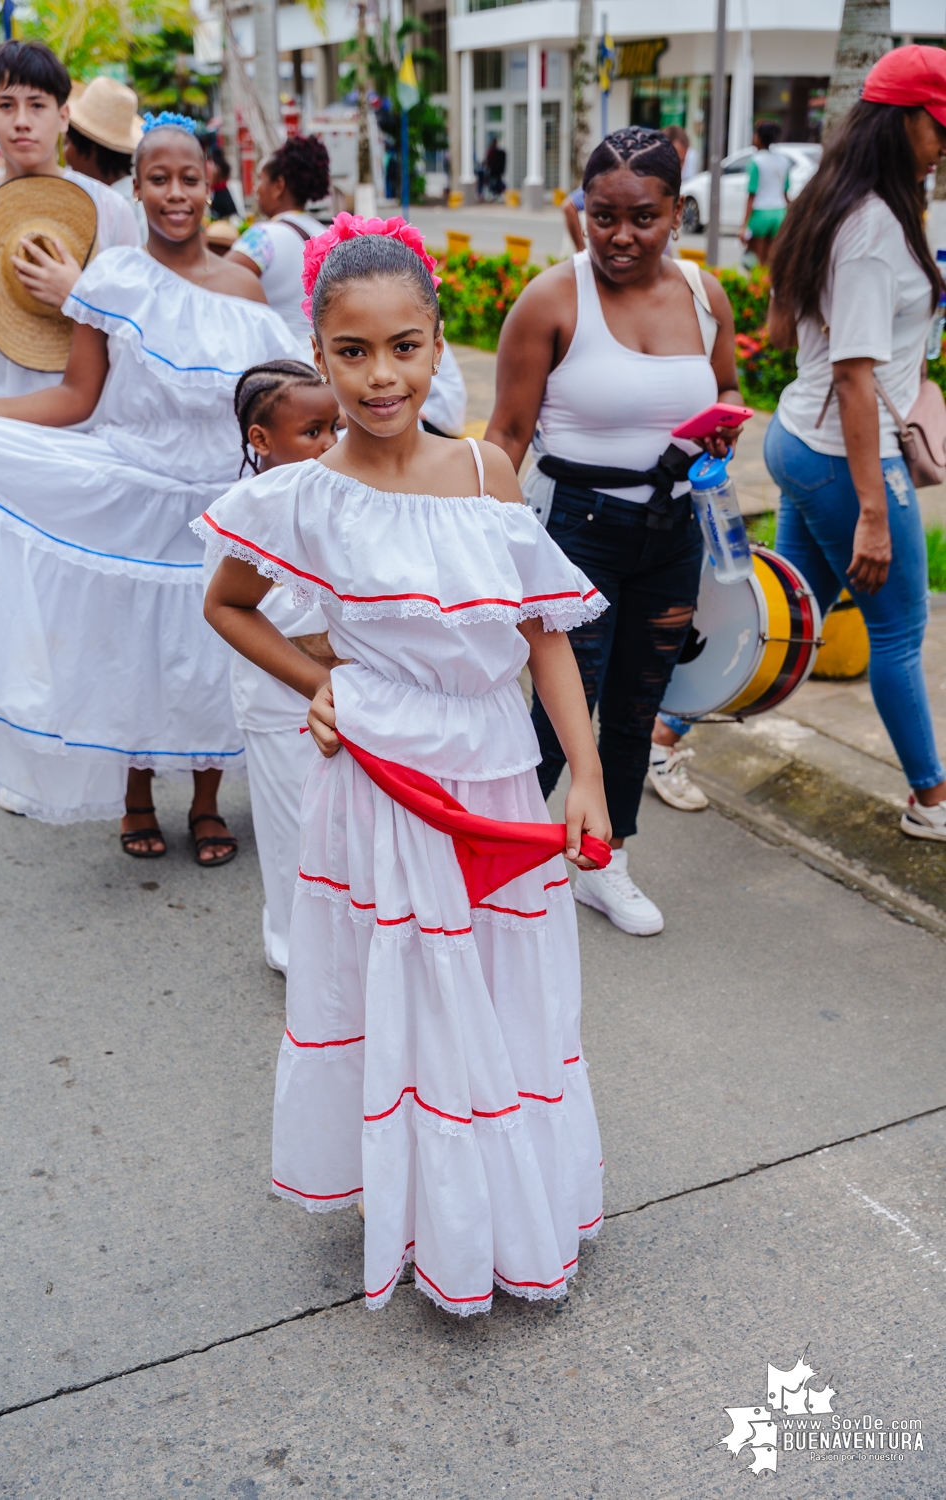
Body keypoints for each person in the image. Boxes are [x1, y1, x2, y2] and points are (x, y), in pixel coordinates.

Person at [200, 214, 610, 1314]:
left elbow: (544, 635)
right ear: (317, 349)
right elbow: (228, 605)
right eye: (351, 351)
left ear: (438, 344)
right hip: (377, 785)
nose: (381, 377)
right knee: (412, 990)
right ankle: (433, 1214)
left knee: (500, 987)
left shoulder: (485, 471)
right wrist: (314, 681)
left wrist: (584, 773)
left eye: (403, 347)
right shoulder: (299, 495)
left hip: (487, 766)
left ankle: (506, 1203)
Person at [0, 115, 305, 856]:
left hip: (220, 503)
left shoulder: (246, 288)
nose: (175, 194)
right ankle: (135, 795)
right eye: (158, 179)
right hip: (132, 493)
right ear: (135, 188)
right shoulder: (111, 277)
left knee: (211, 653)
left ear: (212, 186)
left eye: (190, 179)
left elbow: (279, 405)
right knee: (133, 649)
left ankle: (209, 801)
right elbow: (76, 398)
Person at [486, 127, 746, 934]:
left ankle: (609, 863)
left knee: (637, 707)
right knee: (565, 712)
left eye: (643, 217)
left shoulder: (706, 298)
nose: (621, 237)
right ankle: (502, 864)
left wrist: (718, 435)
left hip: (674, 529)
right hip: (574, 532)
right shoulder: (552, 299)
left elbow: (730, 389)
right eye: (603, 216)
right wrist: (481, 545)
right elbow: (505, 437)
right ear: (583, 210)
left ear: (677, 213)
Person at [766, 43, 946, 842]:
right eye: (939, 126)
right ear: (900, 120)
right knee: (901, 633)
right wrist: (873, 510)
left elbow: (787, 330)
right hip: (844, 457)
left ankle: (665, 736)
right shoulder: (873, 224)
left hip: (801, 442)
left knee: (788, 616)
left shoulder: (839, 199)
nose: (945, 144)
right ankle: (932, 802)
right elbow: (851, 375)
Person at [0, 41, 140, 401]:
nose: (22, 121)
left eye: (37, 105)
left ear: (63, 115)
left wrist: (81, 295)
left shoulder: (110, 210)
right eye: (6, 105)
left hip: (95, 425)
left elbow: (136, 326)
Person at [229, 359, 341, 970]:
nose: (327, 445)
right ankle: (292, 946)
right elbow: (234, 611)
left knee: (333, 826)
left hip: (340, 696)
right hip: (278, 699)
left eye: (333, 429)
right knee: (289, 828)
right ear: (261, 440)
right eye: (311, 432)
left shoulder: (343, 493)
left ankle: (337, 942)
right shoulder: (249, 510)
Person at [227, 136, 331, 337]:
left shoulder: (264, 237)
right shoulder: (325, 235)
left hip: (278, 362)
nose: (256, 188)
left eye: (260, 178)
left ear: (278, 186)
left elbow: (214, 282)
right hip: (319, 361)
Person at [561, 125, 691, 258]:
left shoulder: (670, 187)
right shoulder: (630, 180)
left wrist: (670, 267)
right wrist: (581, 251)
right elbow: (569, 205)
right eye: (605, 217)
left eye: (681, 161)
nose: (623, 238)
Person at [63, 75, 146, 240]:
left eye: (68, 143)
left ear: (91, 150)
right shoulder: (135, 198)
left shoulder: (114, 208)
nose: (66, 155)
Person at [740, 119, 789, 267]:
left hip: (761, 214)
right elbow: (786, 194)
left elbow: (752, 195)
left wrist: (743, 225)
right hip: (780, 213)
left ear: (759, 138)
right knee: (772, 262)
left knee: (757, 263)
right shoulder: (784, 161)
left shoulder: (755, 161)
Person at [206, 145, 238, 220]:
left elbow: (212, 182)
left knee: (219, 216)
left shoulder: (215, 167)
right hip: (226, 192)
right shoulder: (225, 165)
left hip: (218, 194)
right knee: (229, 215)